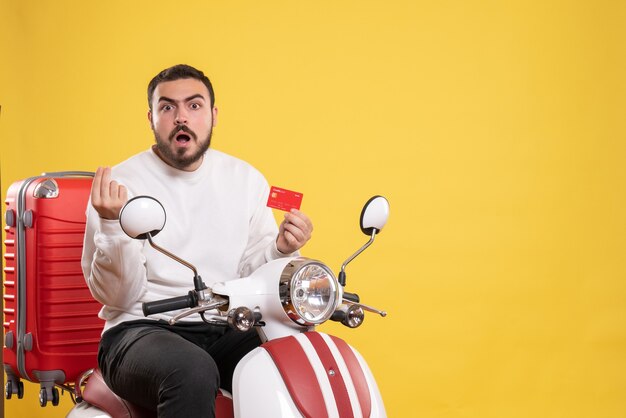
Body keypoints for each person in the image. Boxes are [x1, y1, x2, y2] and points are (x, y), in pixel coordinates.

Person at [81, 64, 313, 418]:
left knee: (296, 357)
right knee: (192, 370)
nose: (180, 117)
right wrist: (113, 226)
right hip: (138, 332)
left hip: (224, 325)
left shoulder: (245, 179)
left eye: (194, 105)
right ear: (151, 117)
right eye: (167, 107)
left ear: (213, 114)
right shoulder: (121, 186)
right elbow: (118, 297)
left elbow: (252, 277)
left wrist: (279, 249)